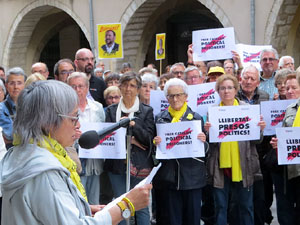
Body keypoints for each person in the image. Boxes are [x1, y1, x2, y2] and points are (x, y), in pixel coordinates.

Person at [0, 80, 152, 225]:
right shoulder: (44, 171)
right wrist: (127, 205)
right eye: (74, 118)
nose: (78, 125)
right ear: (47, 122)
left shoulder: (22, 153)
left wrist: (78, 208)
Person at [205, 74, 266, 225]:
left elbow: (257, 140)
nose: (226, 91)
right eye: (222, 88)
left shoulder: (248, 110)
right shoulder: (211, 112)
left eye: (230, 88)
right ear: (218, 91)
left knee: (246, 206)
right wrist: (207, 133)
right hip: (220, 167)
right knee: (220, 207)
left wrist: (259, 130)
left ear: (236, 90)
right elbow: (209, 145)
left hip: (244, 165)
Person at [153, 78, 207, 225]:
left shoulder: (195, 118)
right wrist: (155, 143)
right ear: (167, 98)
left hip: (192, 178)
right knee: (172, 220)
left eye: (178, 95)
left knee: (192, 219)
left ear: (185, 96)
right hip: (169, 179)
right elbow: (154, 152)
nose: (175, 99)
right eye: (171, 96)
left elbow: (205, 151)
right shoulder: (159, 119)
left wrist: (203, 141)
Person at [104, 72, 155, 225]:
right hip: (117, 165)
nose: (128, 89)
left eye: (132, 85)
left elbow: (148, 139)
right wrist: (130, 140)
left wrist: (133, 124)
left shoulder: (146, 111)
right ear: (119, 87)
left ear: (138, 89)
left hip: (140, 165)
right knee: (120, 204)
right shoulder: (111, 111)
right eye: (125, 85)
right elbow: (109, 136)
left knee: (141, 206)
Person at [67, 72, 105, 205]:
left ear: (87, 88)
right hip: (75, 159)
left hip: (94, 160)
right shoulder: (64, 109)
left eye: (80, 86)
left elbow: (103, 131)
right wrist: (72, 136)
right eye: (73, 86)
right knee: (78, 200)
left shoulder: (98, 107)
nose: (77, 90)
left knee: (94, 198)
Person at [270, 72, 300, 225]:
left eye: (293, 87)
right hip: (291, 168)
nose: (289, 91)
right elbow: (285, 135)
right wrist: (278, 143)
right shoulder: (290, 109)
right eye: (287, 88)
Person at [0, 67, 26, 148]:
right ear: (6, 85)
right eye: (12, 83)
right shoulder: (1, 109)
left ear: (24, 85)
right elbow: (9, 134)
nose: (16, 87)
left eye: (19, 83)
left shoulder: (31, 106)